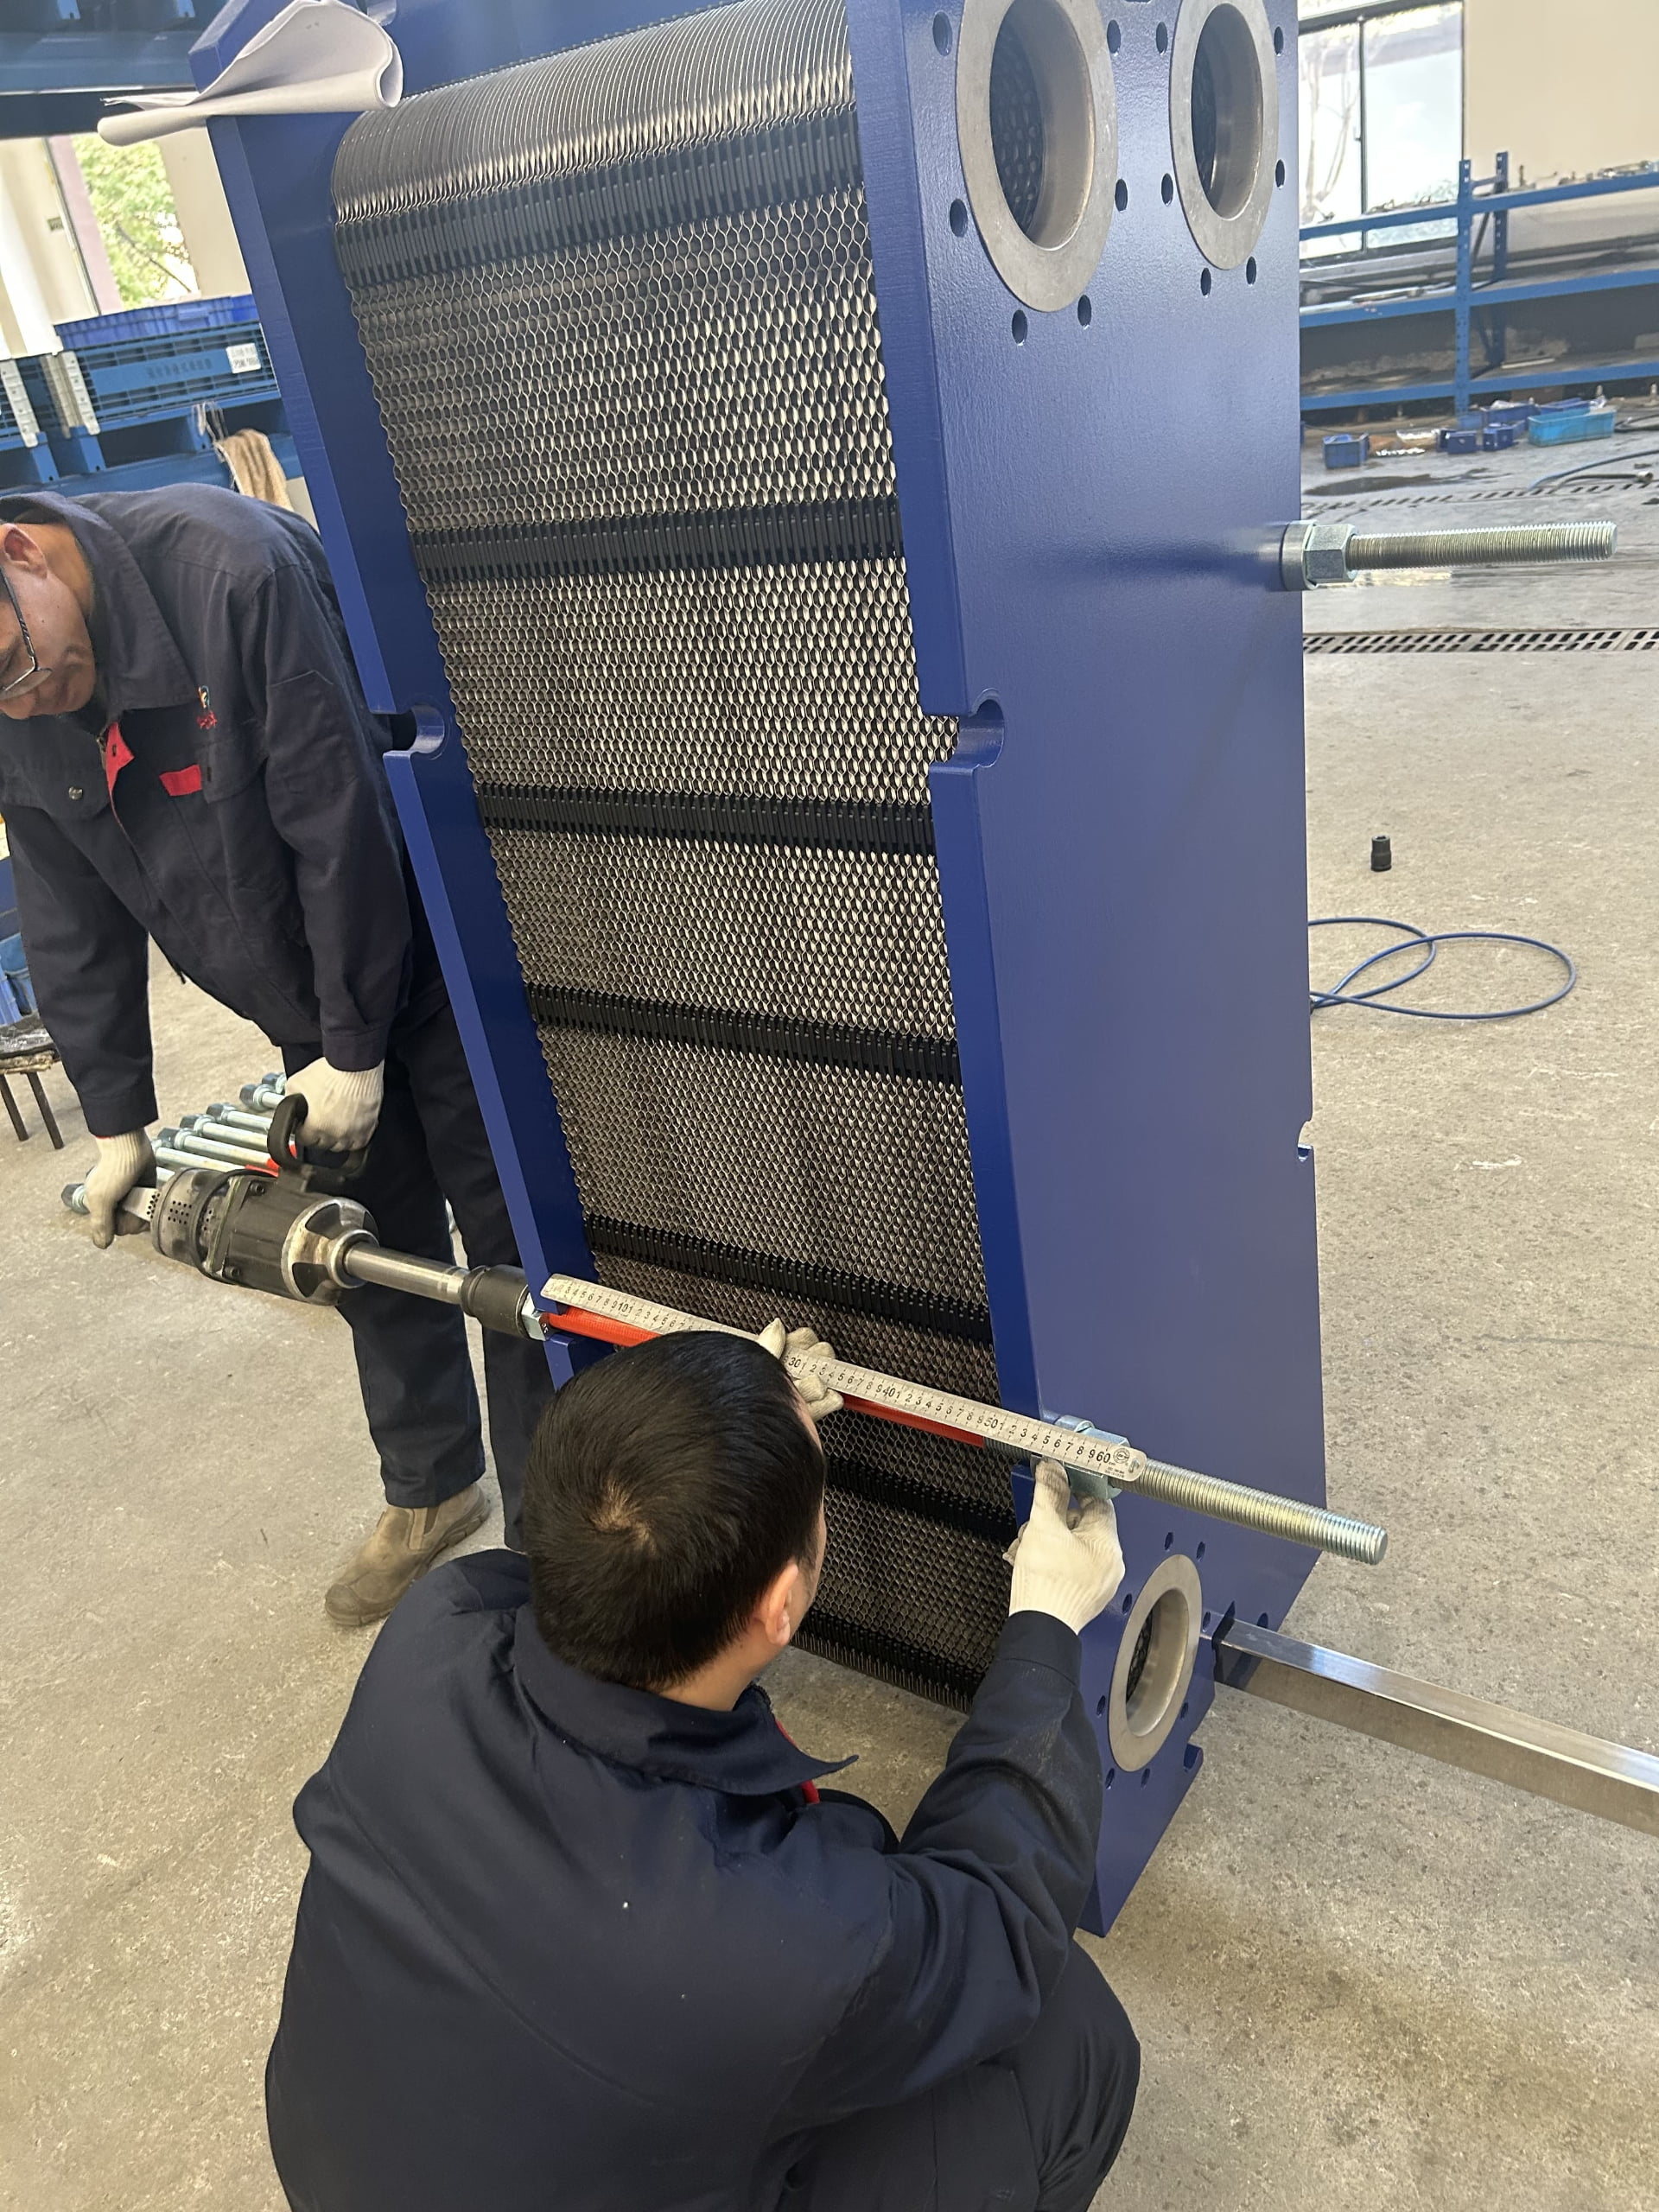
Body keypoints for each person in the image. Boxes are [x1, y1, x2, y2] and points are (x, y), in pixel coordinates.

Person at [265, 1319, 1140, 2212]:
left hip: (351, 2169)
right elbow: (994, 1920)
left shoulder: (434, 1634)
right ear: (781, 1607)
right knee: (1071, 2036)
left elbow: (597, 1547)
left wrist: (722, 1417)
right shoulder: (772, 1946)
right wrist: (1045, 1625)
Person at [0, 486, 554, 1620]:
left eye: (15, 665)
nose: (23, 700)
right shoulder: (14, 705)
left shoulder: (229, 574)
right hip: (307, 1008)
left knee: (506, 1256)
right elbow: (67, 909)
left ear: (21, 551)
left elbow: (337, 819)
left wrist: (356, 1049)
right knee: (367, 1239)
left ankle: (553, 1541)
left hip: (439, 963)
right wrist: (117, 1122)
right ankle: (435, 1486)